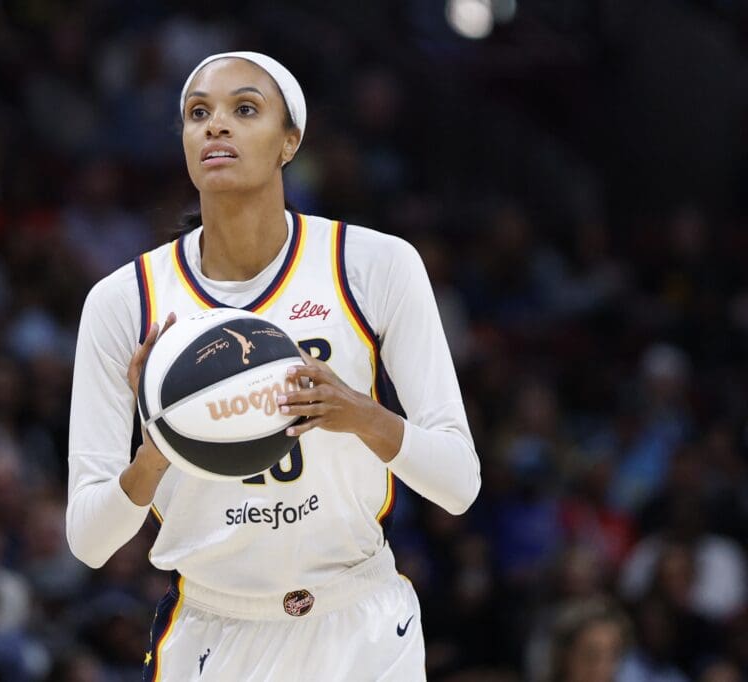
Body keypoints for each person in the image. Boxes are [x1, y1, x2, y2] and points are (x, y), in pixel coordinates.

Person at [67, 51, 481, 680]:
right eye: (197, 113)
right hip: (214, 629)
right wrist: (158, 450)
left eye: (244, 109)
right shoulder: (124, 302)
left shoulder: (373, 265)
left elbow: (459, 482)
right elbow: (89, 542)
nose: (216, 126)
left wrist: (363, 415)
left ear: (291, 141)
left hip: (362, 622)